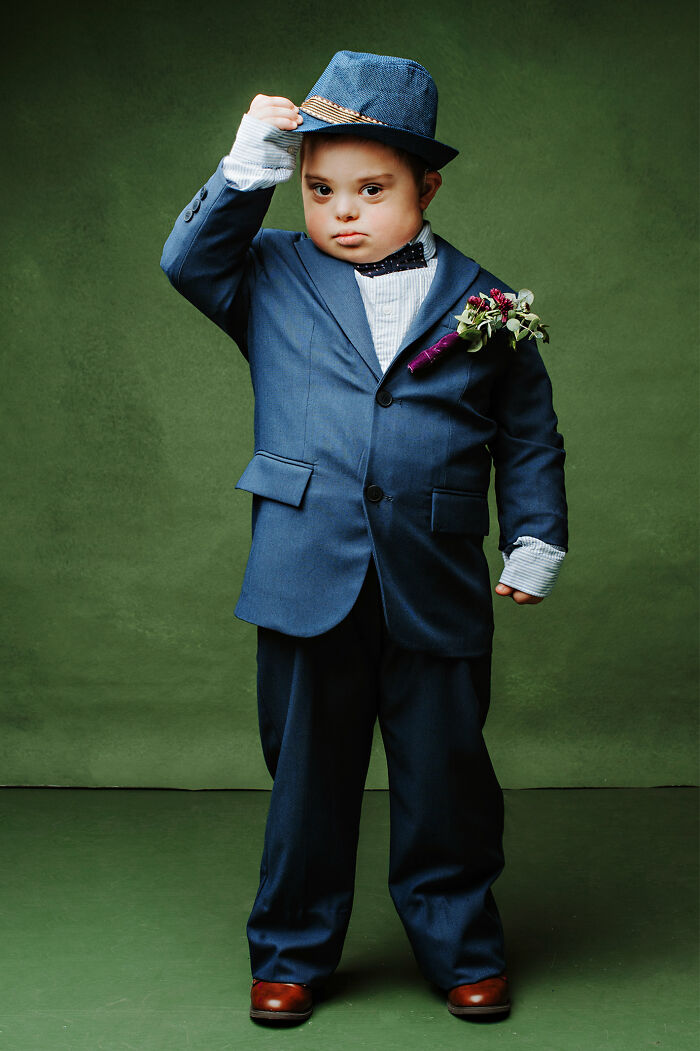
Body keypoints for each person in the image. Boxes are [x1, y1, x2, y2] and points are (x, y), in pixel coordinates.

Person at [160, 50, 568, 1025]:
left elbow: (527, 433)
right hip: (306, 567)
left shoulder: (490, 301)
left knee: (445, 779)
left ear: (425, 187)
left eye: (371, 189)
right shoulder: (264, 274)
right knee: (307, 778)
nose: (342, 210)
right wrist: (253, 153)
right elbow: (187, 260)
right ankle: (291, 952)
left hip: (433, 573)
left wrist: (534, 540)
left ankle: (461, 945)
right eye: (319, 189)